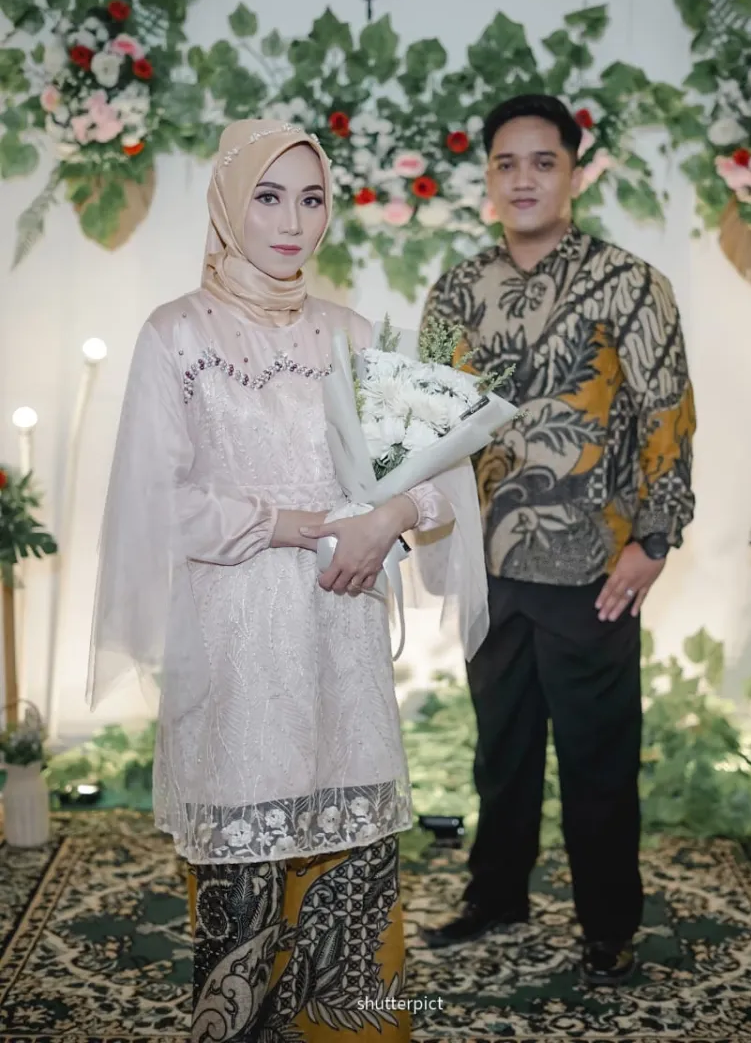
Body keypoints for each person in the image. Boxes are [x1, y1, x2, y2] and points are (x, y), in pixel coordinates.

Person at [87, 118, 476, 1042]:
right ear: (229, 204)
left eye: (311, 199)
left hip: (341, 637)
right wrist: (302, 524)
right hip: (234, 646)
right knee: (245, 892)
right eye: (268, 197)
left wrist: (383, 519)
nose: (292, 221)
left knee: (352, 878)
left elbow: (440, 481)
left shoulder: (350, 332)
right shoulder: (175, 334)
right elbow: (158, 500)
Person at [419, 94, 696, 985]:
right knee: (499, 755)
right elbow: (429, 424)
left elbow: (667, 414)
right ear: (489, 178)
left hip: (593, 565)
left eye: (543, 162)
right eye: (506, 163)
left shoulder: (629, 283)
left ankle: (608, 926)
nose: (524, 179)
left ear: (575, 173)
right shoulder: (457, 290)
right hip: (489, 562)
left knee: (597, 762)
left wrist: (655, 539)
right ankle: (496, 895)